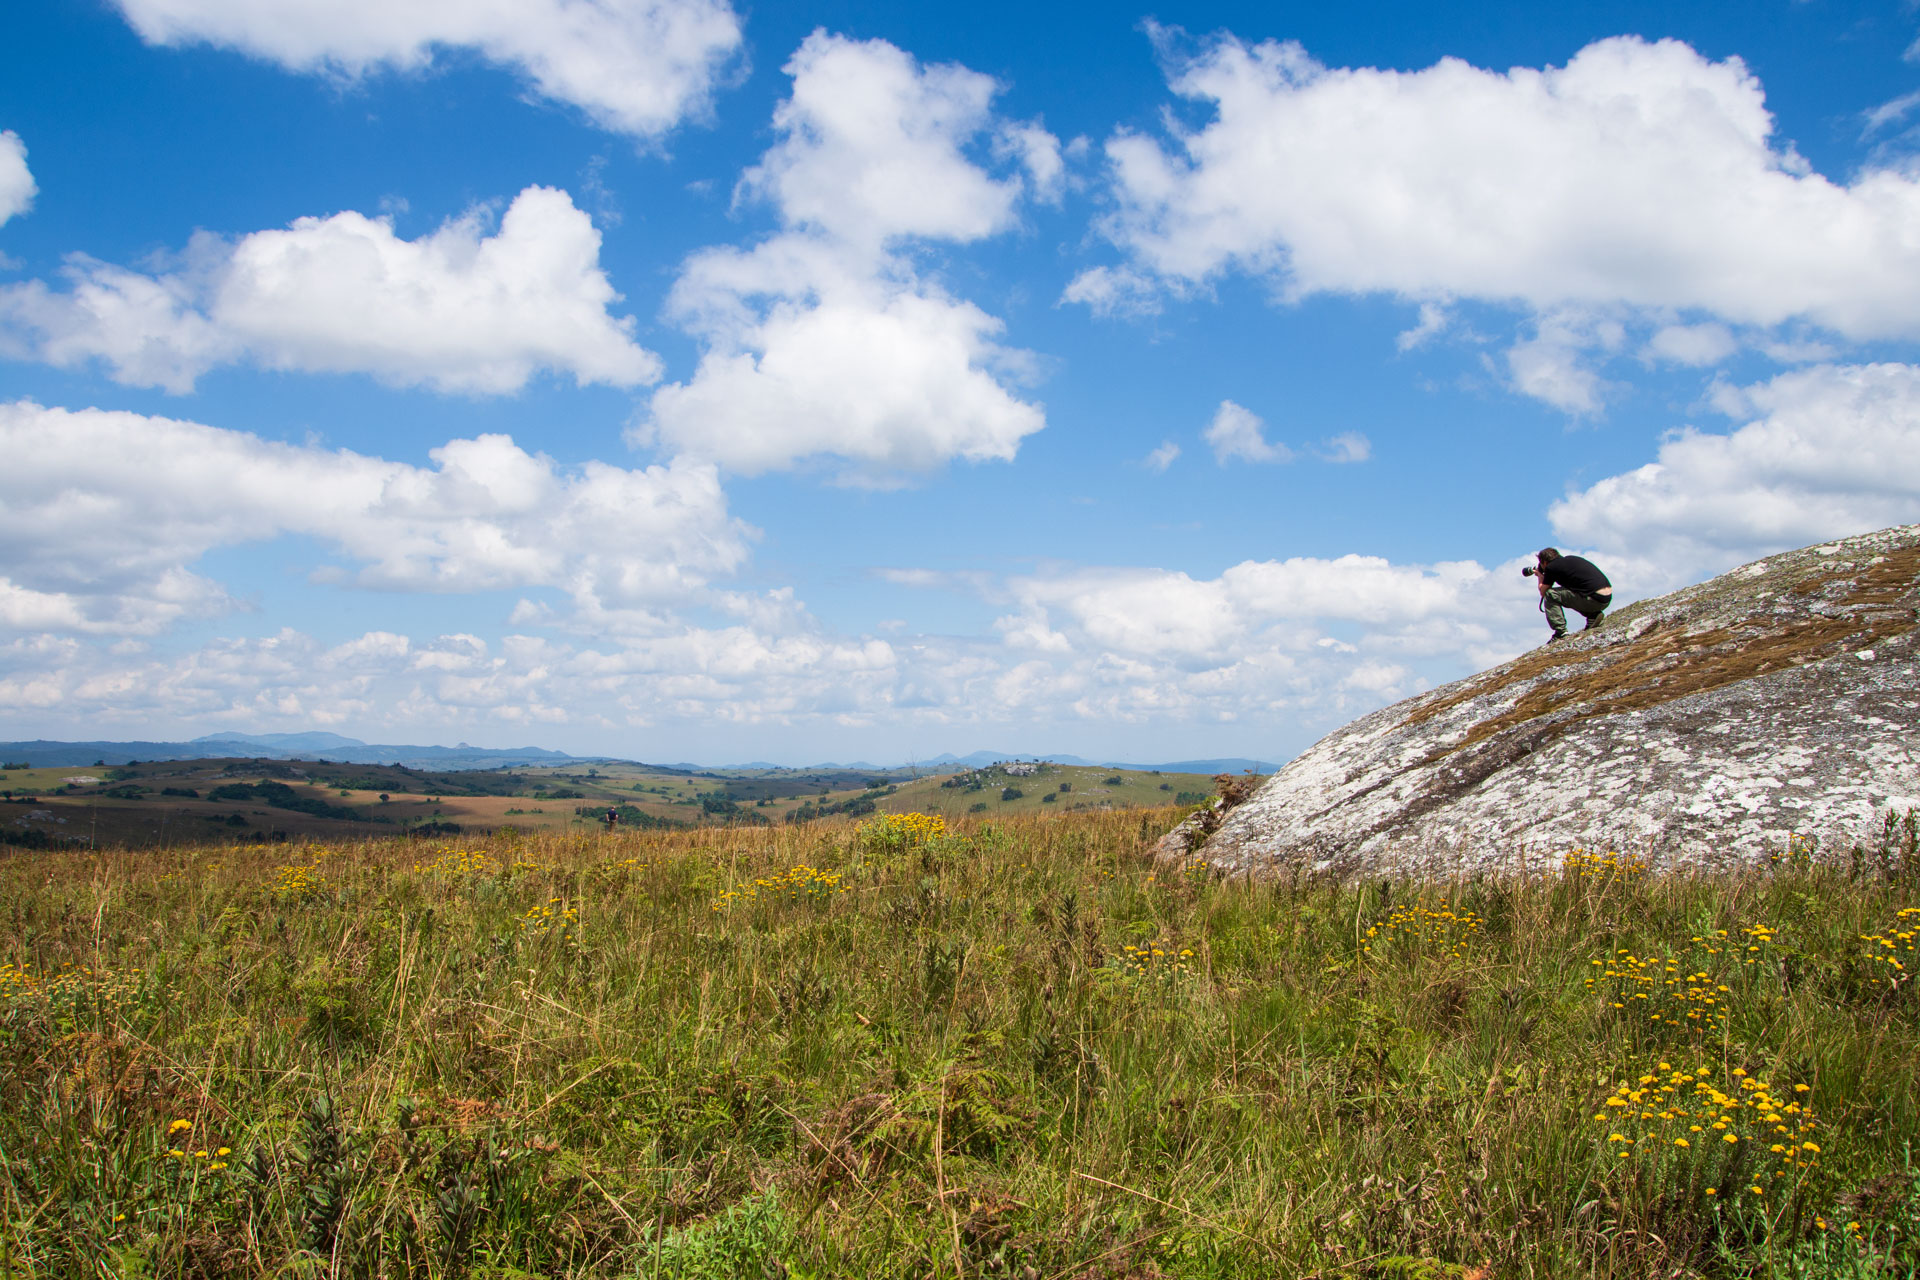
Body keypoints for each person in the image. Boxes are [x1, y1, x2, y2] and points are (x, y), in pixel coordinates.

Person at [1532, 547, 1612, 642]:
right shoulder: (1571, 559)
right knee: (1572, 591)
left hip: (1593, 600)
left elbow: (1543, 591)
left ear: (1544, 562)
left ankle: (1560, 632)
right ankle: (1593, 616)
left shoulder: (1551, 567)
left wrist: (1540, 576)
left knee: (1551, 594)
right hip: (1606, 598)